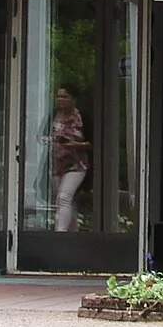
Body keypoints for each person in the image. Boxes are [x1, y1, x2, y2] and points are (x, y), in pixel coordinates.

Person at [49, 86, 91, 232]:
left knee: (64, 197)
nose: (61, 100)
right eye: (59, 96)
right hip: (57, 164)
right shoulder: (53, 115)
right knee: (67, 201)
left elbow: (93, 142)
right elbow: (42, 134)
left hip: (76, 165)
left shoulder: (82, 117)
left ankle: (60, 233)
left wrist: (76, 144)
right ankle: (74, 233)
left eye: (65, 97)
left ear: (74, 99)